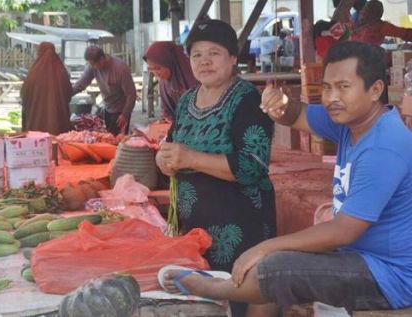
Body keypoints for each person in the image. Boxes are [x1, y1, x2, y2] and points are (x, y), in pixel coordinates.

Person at [161, 41, 412, 314]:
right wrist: (280, 104)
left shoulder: (383, 147)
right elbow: (297, 115)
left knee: (274, 266)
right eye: (326, 87)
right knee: (276, 262)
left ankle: (208, 288)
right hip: (360, 255)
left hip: (388, 275)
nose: (331, 98)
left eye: (343, 87)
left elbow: (343, 230)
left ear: (375, 89)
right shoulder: (354, 120)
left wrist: (267, 247)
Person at [155, 19, 277, 317]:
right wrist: (165, 160)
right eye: (196, 54)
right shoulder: (186, 100)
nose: (204, 61)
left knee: (246, 288)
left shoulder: (249, 100)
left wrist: (189, 158)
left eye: (214, 53)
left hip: (241, 225)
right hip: (196, 229)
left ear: (233, 58)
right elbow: (172, 146)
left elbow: (252, 166)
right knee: (205, 303)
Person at [72, 46, 136, 135]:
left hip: (121, 109)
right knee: (107, 137)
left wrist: (125, 114)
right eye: (90, 64)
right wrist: (66, 93)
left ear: (102, 59)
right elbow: (81, 83)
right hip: (107, 107)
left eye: (93, 64)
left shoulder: (120, 69)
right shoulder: (93, 66)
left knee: (116, 140)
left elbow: (131, 94)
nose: (91, 66)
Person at [20, 42, 72, 135]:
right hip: (59, 122)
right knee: (58, 144)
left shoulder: (33, 73)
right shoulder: (61, 72)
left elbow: (24, 95)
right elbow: (68, 94)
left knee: (37, 142)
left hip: (35, 122)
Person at [143, 41, 197, 120]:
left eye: (158, 68)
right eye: (151, 69)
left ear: (170, 62)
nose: (156, 73)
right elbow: (166, 111)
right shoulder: (164, 82)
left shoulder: (194, 77)